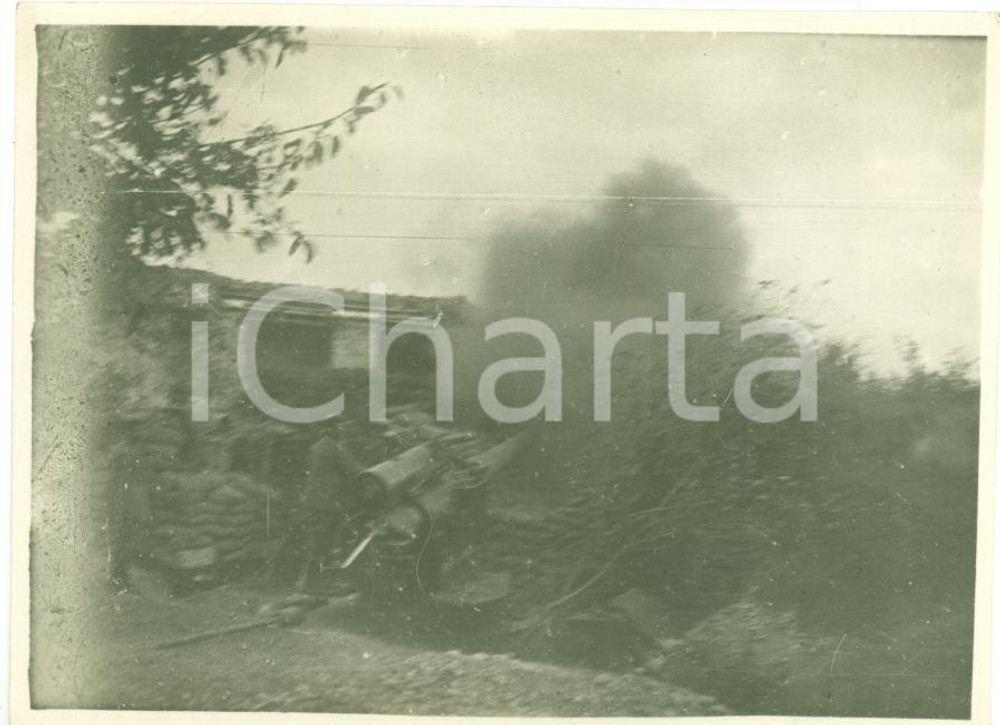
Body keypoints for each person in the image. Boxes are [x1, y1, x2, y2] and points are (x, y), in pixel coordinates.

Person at [295, 419, 365, 591]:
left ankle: (313, 581)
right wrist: (371, 472)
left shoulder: (316, 446)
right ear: (332, 429)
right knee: (329, 541)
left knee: (320, 540)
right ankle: (318, 582)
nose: (341, 430)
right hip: (328, 501)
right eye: (339, 427)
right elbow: (353, 469)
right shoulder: (334, 447)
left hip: (315, 500)